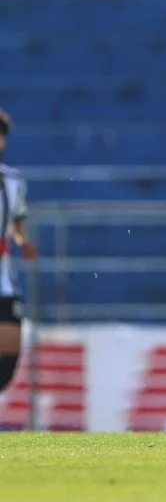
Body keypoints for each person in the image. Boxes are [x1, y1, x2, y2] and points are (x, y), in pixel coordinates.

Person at [0, 109, 38, 398]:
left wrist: (22, 241)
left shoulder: (12, 181)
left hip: (3, 278)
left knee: (10, 349)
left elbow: (16, 225)